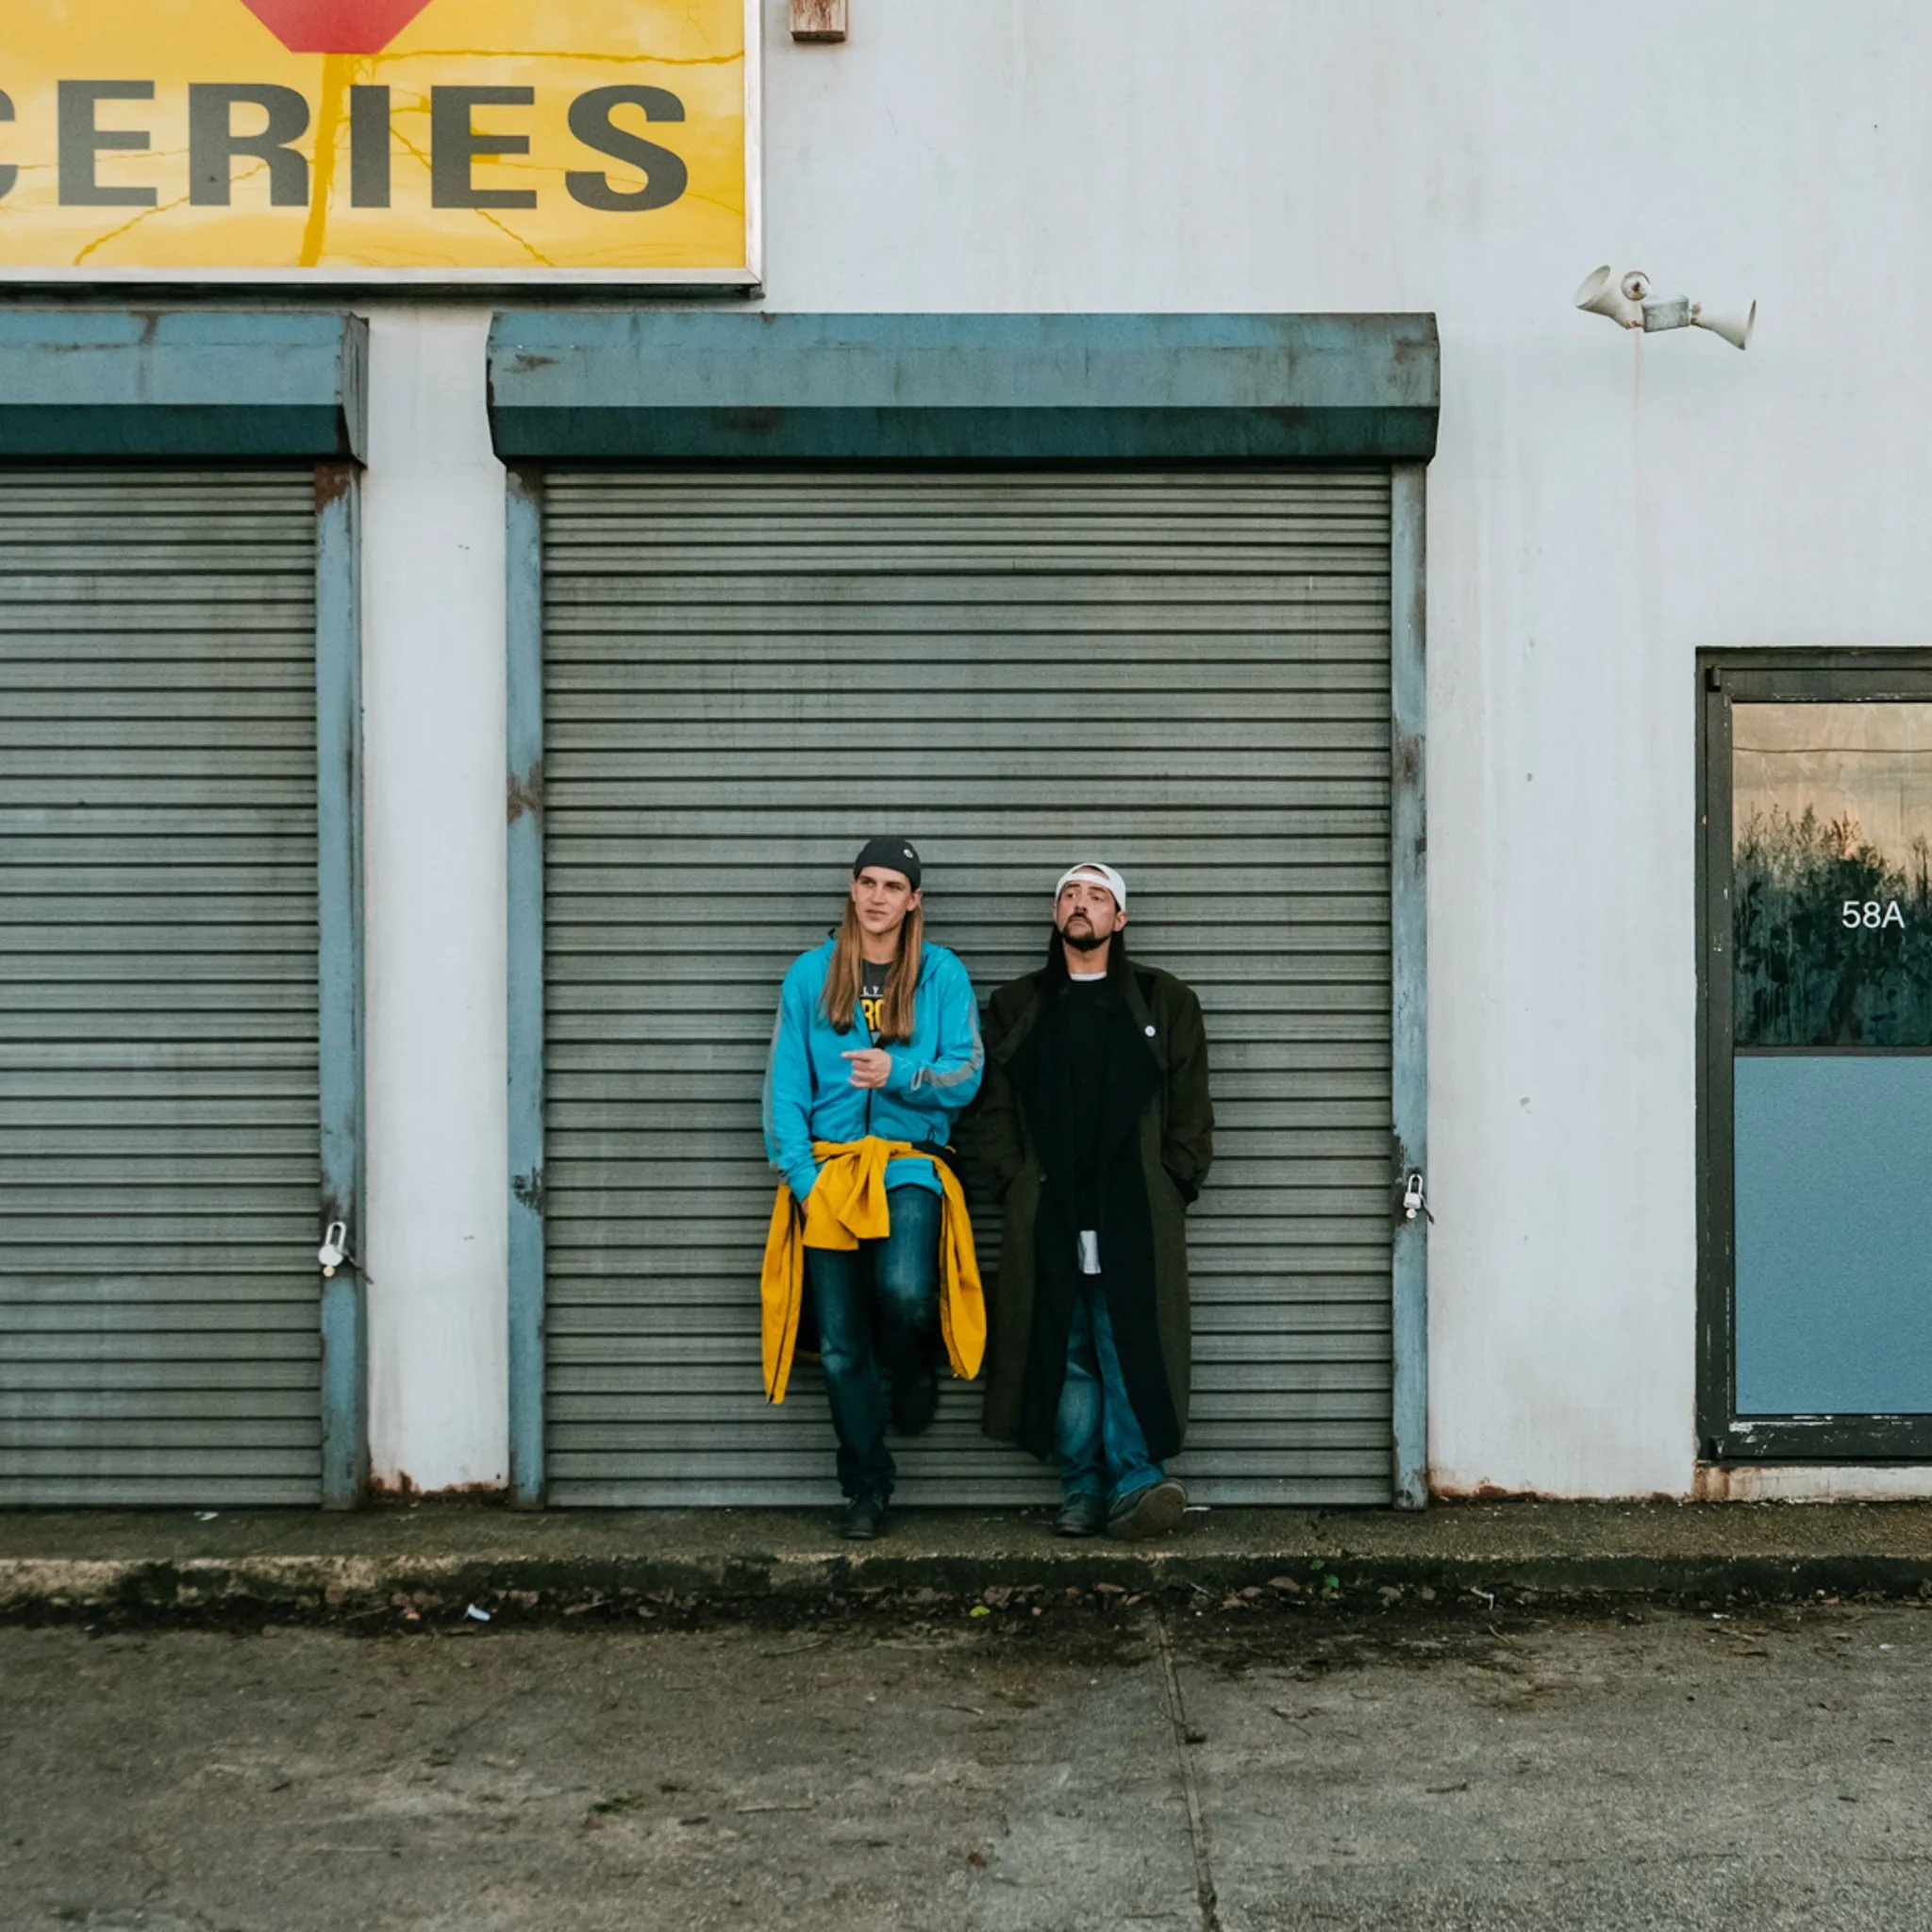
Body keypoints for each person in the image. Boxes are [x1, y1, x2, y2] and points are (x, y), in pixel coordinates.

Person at [975, 862, 1213, 1540]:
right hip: (1048, 1214)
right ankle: (1081, 1489)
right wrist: (1012, 1184)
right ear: (1056, 918)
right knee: (1065, 1350)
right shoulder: (1017, 1005)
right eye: (1070, 896)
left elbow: (1191, 1113)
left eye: (1097, 895)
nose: (1081, 905)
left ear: (1121, 919)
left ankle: (1136, 1480)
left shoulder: (1164, 1002)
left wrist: (1173, 1183)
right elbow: (993, 1111)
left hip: (1132, 1211)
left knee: (1132, 1340)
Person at [760, 838, 986, 1541]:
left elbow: (969, 1073)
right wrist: (801, 1177)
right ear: (852, 891)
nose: (879, 897)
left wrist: (903, 1078)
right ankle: (866, 1484)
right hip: (826, 1172)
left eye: (894, 886)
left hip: (911, 1164)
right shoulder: (810, 975)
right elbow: (783, 1087)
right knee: (838, 1344)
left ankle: (914, 1364)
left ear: (914, 900)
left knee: (907, 1293)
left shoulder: (942, 974)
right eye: (868, 882)